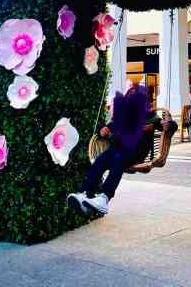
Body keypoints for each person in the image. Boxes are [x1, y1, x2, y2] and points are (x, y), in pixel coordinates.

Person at [68, 85, 173, 215]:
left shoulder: (150, 117)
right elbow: (107, 129)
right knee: (101, 160)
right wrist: (102, 132)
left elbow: (167, 126)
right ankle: (85, 194)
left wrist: (168, 125)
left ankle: (104, 197)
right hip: (118, 149)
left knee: (118, 159)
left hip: (136, 152)